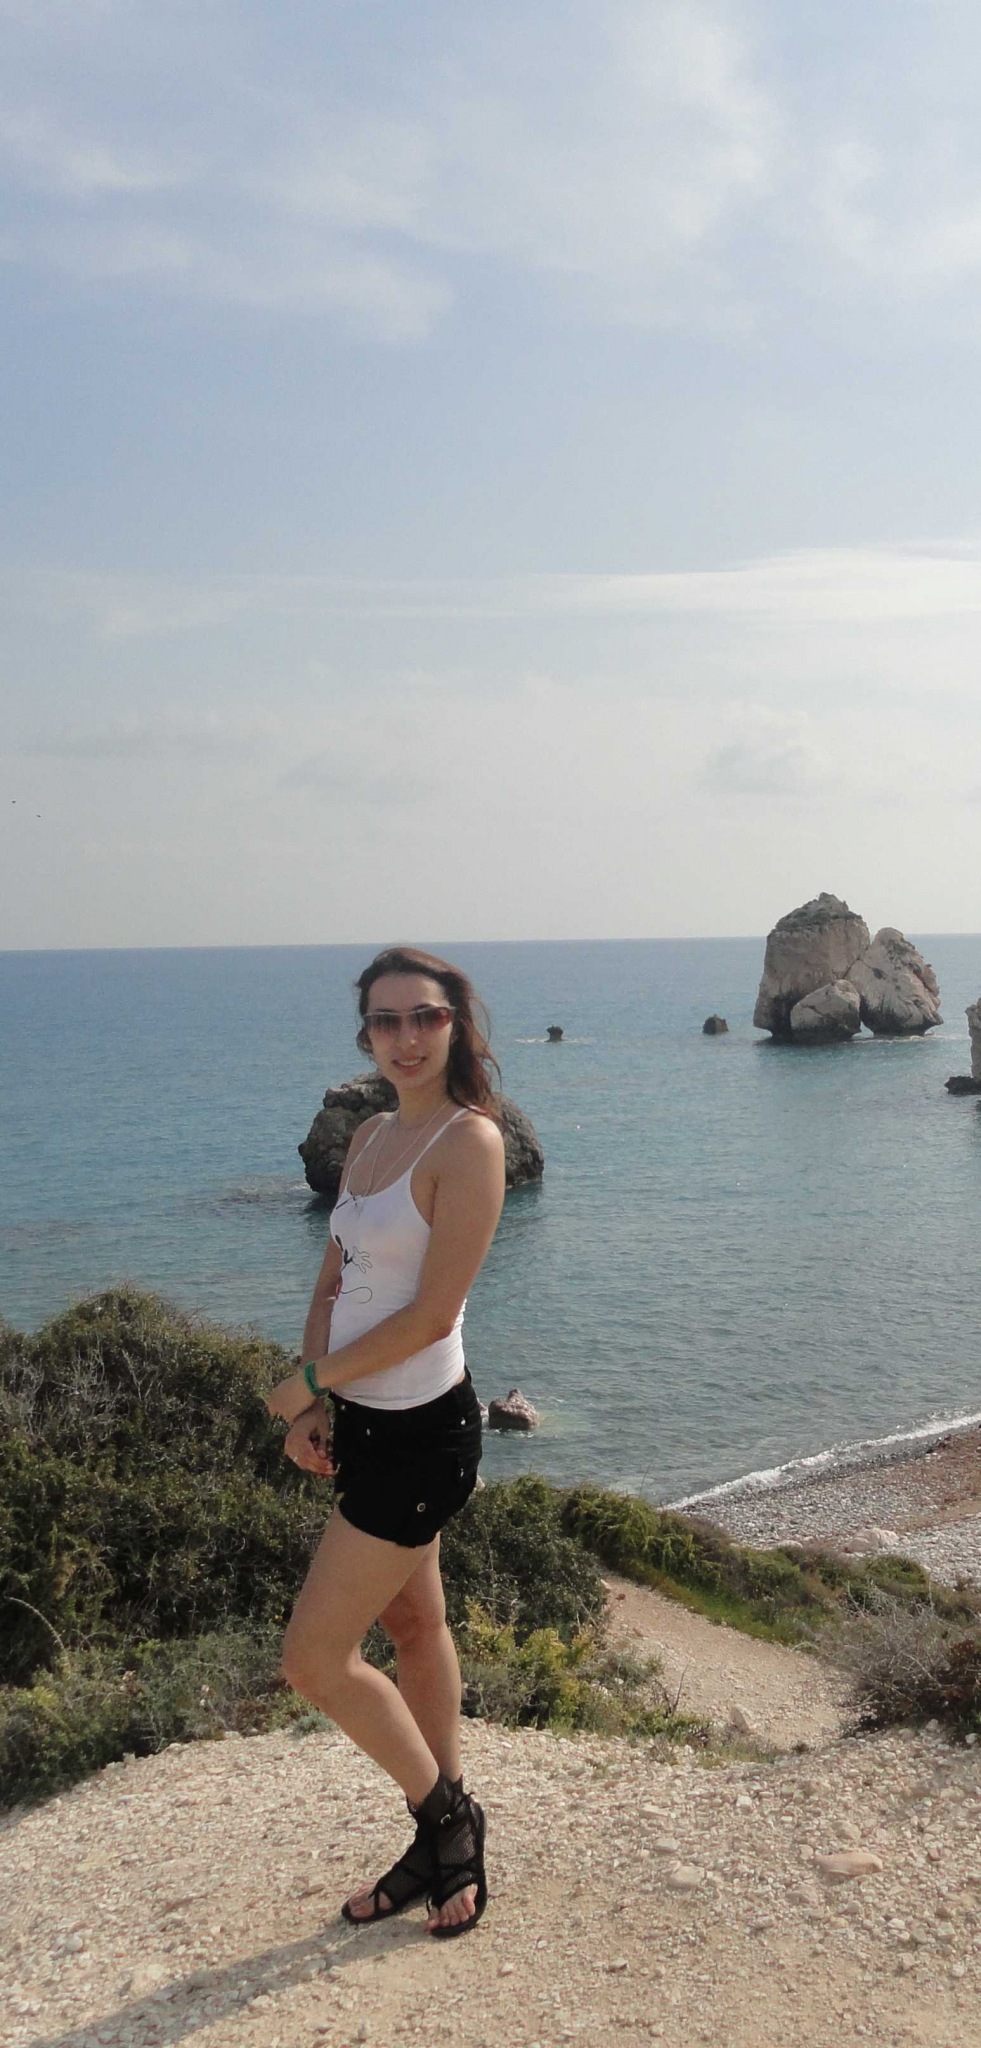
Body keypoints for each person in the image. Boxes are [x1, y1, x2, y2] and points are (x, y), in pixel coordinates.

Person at [266, 945, 506, 1938]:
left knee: (312, 1659)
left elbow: (430, 1313)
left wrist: (311, 1382)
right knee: (414, 1624)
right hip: (362, 1422)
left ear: (457, 1025)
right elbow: (336, 1278)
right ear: (366, 1033)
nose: (406, 1037)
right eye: (385, 1020)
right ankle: (437, 1841)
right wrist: (313, 1403)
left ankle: (447, 1819)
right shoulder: (368, 1136)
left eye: (425, 1016)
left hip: (421, 1434)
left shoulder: (469, 1143)